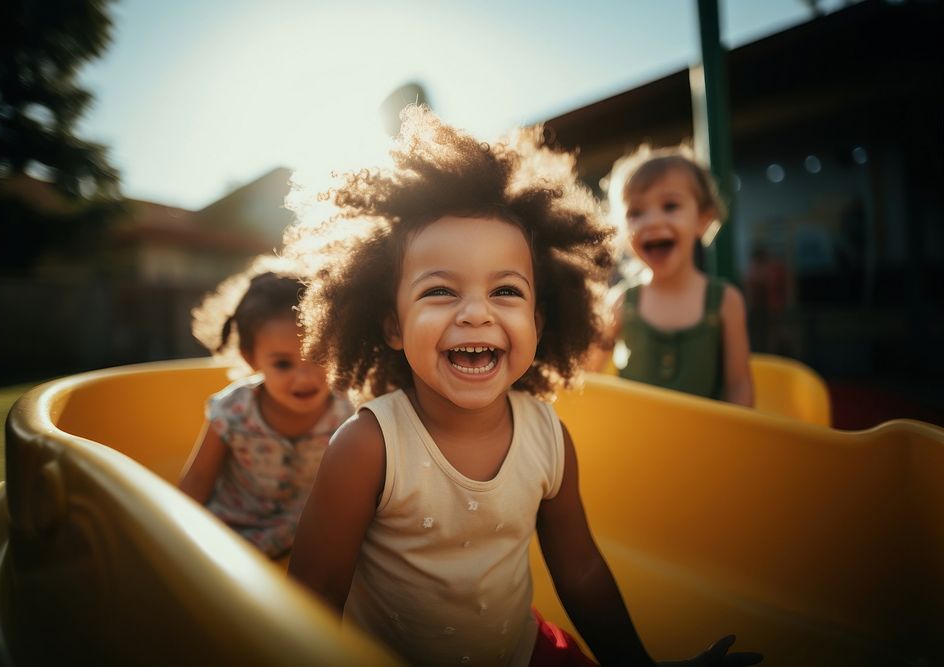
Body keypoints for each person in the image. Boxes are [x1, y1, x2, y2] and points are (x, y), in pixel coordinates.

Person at [284, 107, 761, 667]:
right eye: (440, 291)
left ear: (537, 324)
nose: (476, 314)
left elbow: (580, 570)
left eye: (506, 292)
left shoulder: (547, 437)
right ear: (392, 324)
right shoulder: (367, 447)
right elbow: (310, 601)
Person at [178, 259, 353, 560]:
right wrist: (176, 538)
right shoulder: (233, 410)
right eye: (283, 364)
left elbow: (352, 491)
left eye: (318, 356)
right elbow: (196, 481)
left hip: (302, 534)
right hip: (230, 532)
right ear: (251, 358)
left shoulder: (346, 411)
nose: (305, 378)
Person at [585, 145, 754, 407]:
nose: (652, 221)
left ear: (703, 220)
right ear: (620, 230)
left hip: (705, 442)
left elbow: (739, 386)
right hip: (635, 441)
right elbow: (586, 376)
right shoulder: (620, 303)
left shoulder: (726, 302)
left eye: (670, 206)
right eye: (636, 213)